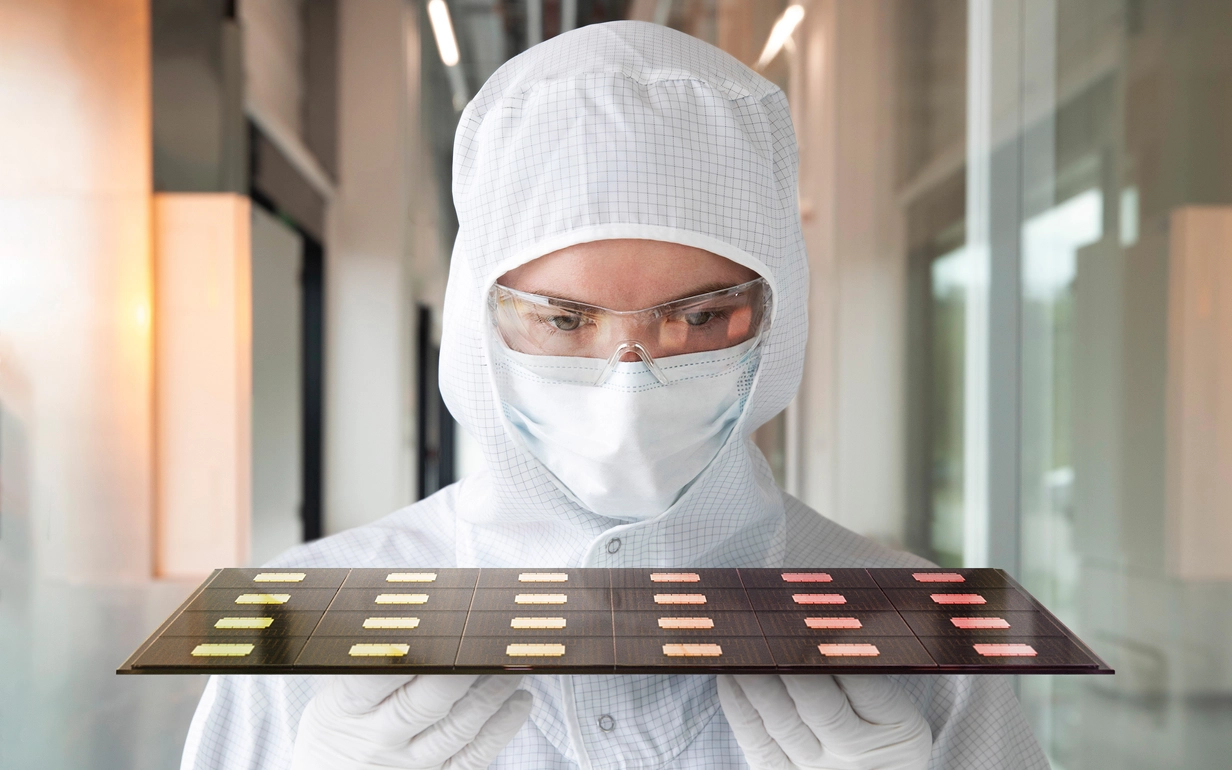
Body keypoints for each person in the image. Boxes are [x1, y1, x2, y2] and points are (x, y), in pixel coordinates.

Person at [181, 21, 1049, 770]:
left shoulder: (923, 634)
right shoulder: (304, 622)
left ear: (777, 312)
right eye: (564, 320)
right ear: (479, 317)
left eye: (702, 315)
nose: (629, 379)